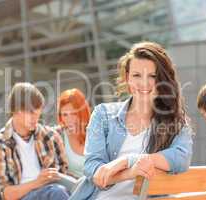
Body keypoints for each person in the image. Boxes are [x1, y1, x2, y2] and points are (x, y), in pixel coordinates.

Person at [70, 41, 194, 200]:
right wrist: (131, 172)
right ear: (127, 78)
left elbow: (181, 158)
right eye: (137, 75)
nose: (144, 83)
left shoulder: (175, 122)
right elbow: (94, 170)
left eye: (152, 76)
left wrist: (129, 160)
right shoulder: (103, 115)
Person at [0, 83, 69, 200]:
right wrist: (37, 183)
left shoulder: (51, 137)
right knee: (56, 192)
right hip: (27, 196)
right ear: (15, 110)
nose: (36, 118)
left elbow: (64, 176)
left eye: (38, 113)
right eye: (31, 113)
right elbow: (0, 195)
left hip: (54, 193)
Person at [55, 88, 90, 178]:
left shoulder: (96, 132)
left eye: (74, 113)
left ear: (82, 112)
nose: (69, 120)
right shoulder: (58, 136)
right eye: (65, 115)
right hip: (75, 188)